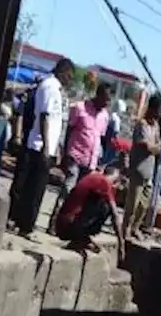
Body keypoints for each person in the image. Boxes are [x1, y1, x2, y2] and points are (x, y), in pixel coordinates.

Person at [9, 57, 73, 236]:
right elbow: (45, 116)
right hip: (39, 146)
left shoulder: (55, 89)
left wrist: (56, 147)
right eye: (69, 75)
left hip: (46, 146)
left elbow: (56, 120)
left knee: (34, 188)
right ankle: (24, 224)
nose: (69, 80)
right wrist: (46, 145)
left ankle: (23, 223)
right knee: (33, 189)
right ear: (62, 72)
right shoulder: (51, 87)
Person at [47, 83, 111, 229]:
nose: (107, 104)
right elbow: (68, 130)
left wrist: (100, 162)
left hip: (91, 162)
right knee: (68, 189)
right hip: (75, 156)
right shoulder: (80, 108)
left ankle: (70, 225)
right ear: (98, 95)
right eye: (105, 99)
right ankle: (55, 222)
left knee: (82, 195)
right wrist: (63, 153)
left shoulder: (105, 116)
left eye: (109, 101)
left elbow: (101, 139)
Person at [54, 166, 126, 255]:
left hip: (63, 225)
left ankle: (82, 237)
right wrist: (121, 245)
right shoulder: (104, 182)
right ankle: (79, 237)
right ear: (116, 180)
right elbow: (115, 215)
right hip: (68, 227)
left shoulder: (94, 177)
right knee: (106, 207)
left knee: (100, 202)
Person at [124, 96, 161, 239]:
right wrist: (155, 147)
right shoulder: (142, 125)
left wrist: (155, 147)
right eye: (158, 110)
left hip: (149, 171)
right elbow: (147, 146)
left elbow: (159, 146)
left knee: (143, 205)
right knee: (132, 204)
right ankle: (126, 228)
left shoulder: (156, 126)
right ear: (152, 109)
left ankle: (135, 228)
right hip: (138, 169)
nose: (159, 113)